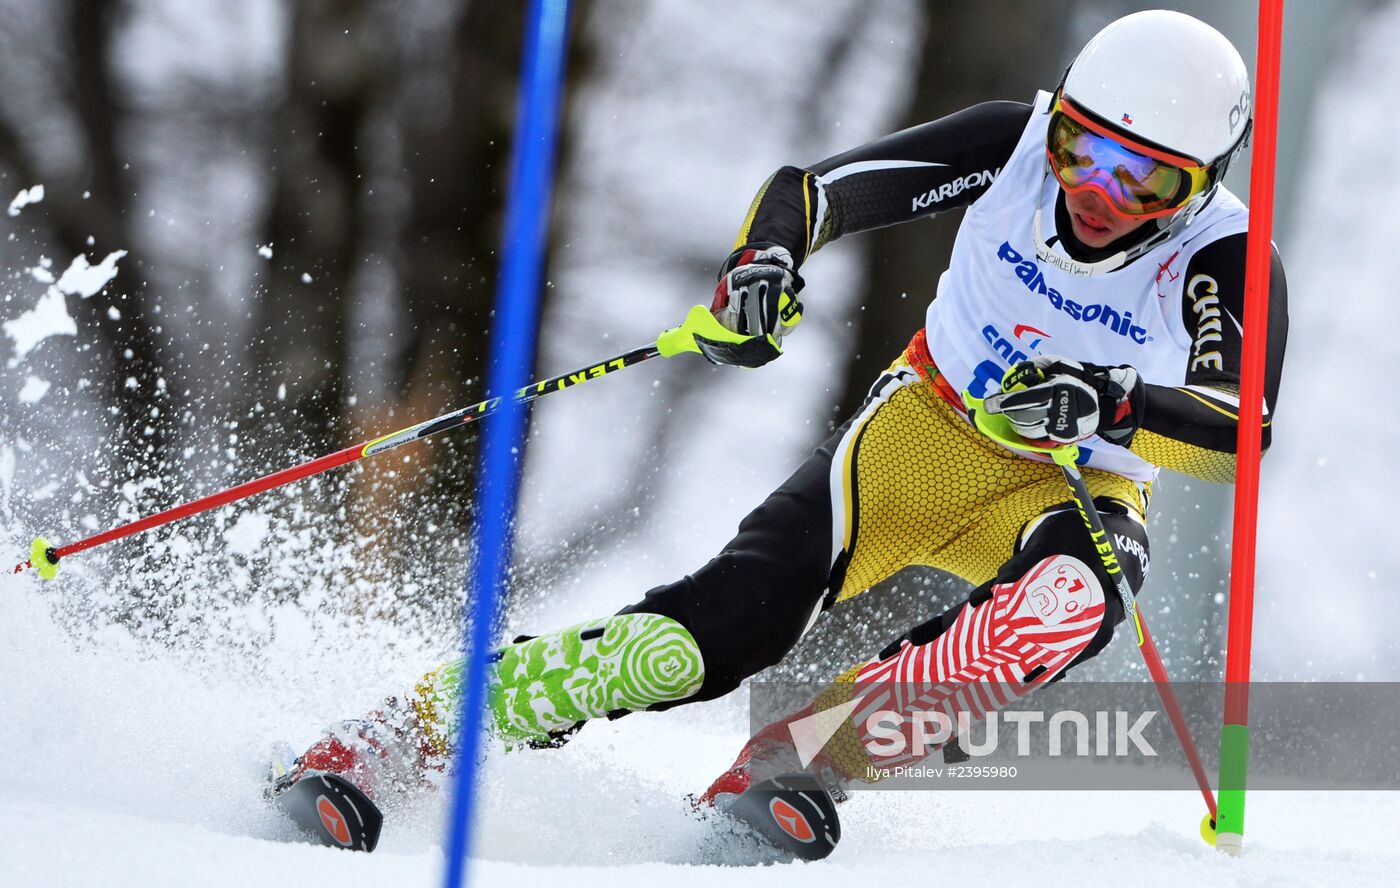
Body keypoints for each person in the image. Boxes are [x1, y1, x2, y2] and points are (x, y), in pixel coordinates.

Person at [280, 9, 1288, 820]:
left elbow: (1237, 428)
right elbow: (813, 194)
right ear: (1056, 122)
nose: (1099, 193)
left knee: (1069, 602)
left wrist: (1107, 398)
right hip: (922, 436)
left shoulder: (1223, 256)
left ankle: (811, 757)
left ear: (1201, 182)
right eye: (1081, 150)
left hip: (1076, 476)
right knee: (706, 640)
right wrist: (763, 265)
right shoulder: (1009, 145)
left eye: (1145, 178)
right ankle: (405, 736)